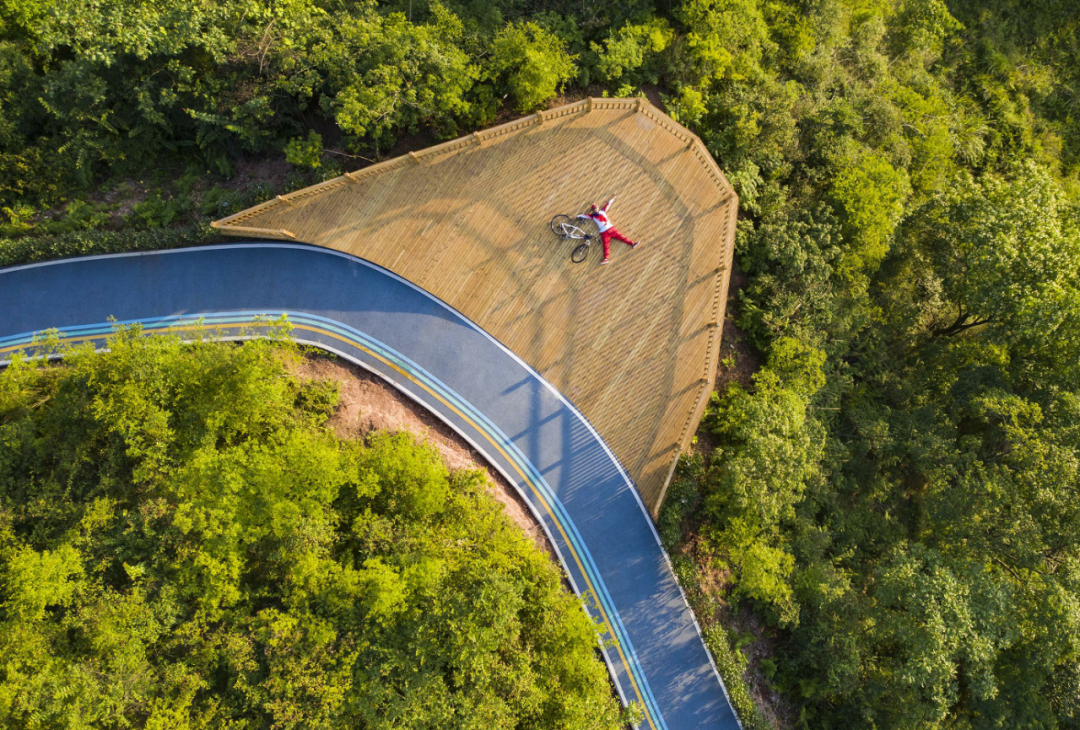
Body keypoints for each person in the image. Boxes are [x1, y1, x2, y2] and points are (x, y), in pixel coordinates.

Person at [576, 195, 641, 264]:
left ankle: (633, 244)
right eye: (593, 209)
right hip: (604, 232)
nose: (595, 209)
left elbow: (608, 204)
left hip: (611, 229)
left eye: (595, 208)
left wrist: (613, 198)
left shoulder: (602, 211)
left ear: (598, 208)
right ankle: (606, 259)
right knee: (606, 246)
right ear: (592, 210)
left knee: (622, 237)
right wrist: (576, 216)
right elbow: (584, 215)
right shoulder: (592, 216)